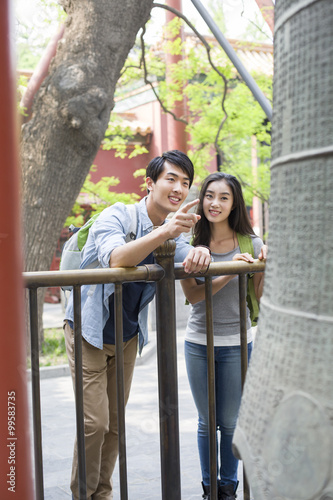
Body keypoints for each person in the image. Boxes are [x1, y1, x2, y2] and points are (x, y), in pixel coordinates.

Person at [63, 150, 211, 500]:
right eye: (171, 179)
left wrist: (201, 253)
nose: (179, 188)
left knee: (114, 425)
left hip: (128, 334)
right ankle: (82, 496)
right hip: (89, 329)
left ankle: (102, 494)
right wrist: (165, 232)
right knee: (93, 424)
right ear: (150, 183)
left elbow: (187, 261)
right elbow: (116, 258)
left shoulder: (174, 230)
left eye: (185, 183)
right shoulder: (117, 215)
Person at [180, 172, 267, 500]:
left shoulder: (252, 244)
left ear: (235, 204)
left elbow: (260, 294)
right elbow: (194, 295)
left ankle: (227, 488)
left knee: (230, 422)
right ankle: (209, 488)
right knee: (207, 421)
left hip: (237, 343)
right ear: (202, 200)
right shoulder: (191, 245)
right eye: (210, 196)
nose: (215, 203)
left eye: (224, 197)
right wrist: (230, 270)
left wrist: (263, 268)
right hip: (198, 342)